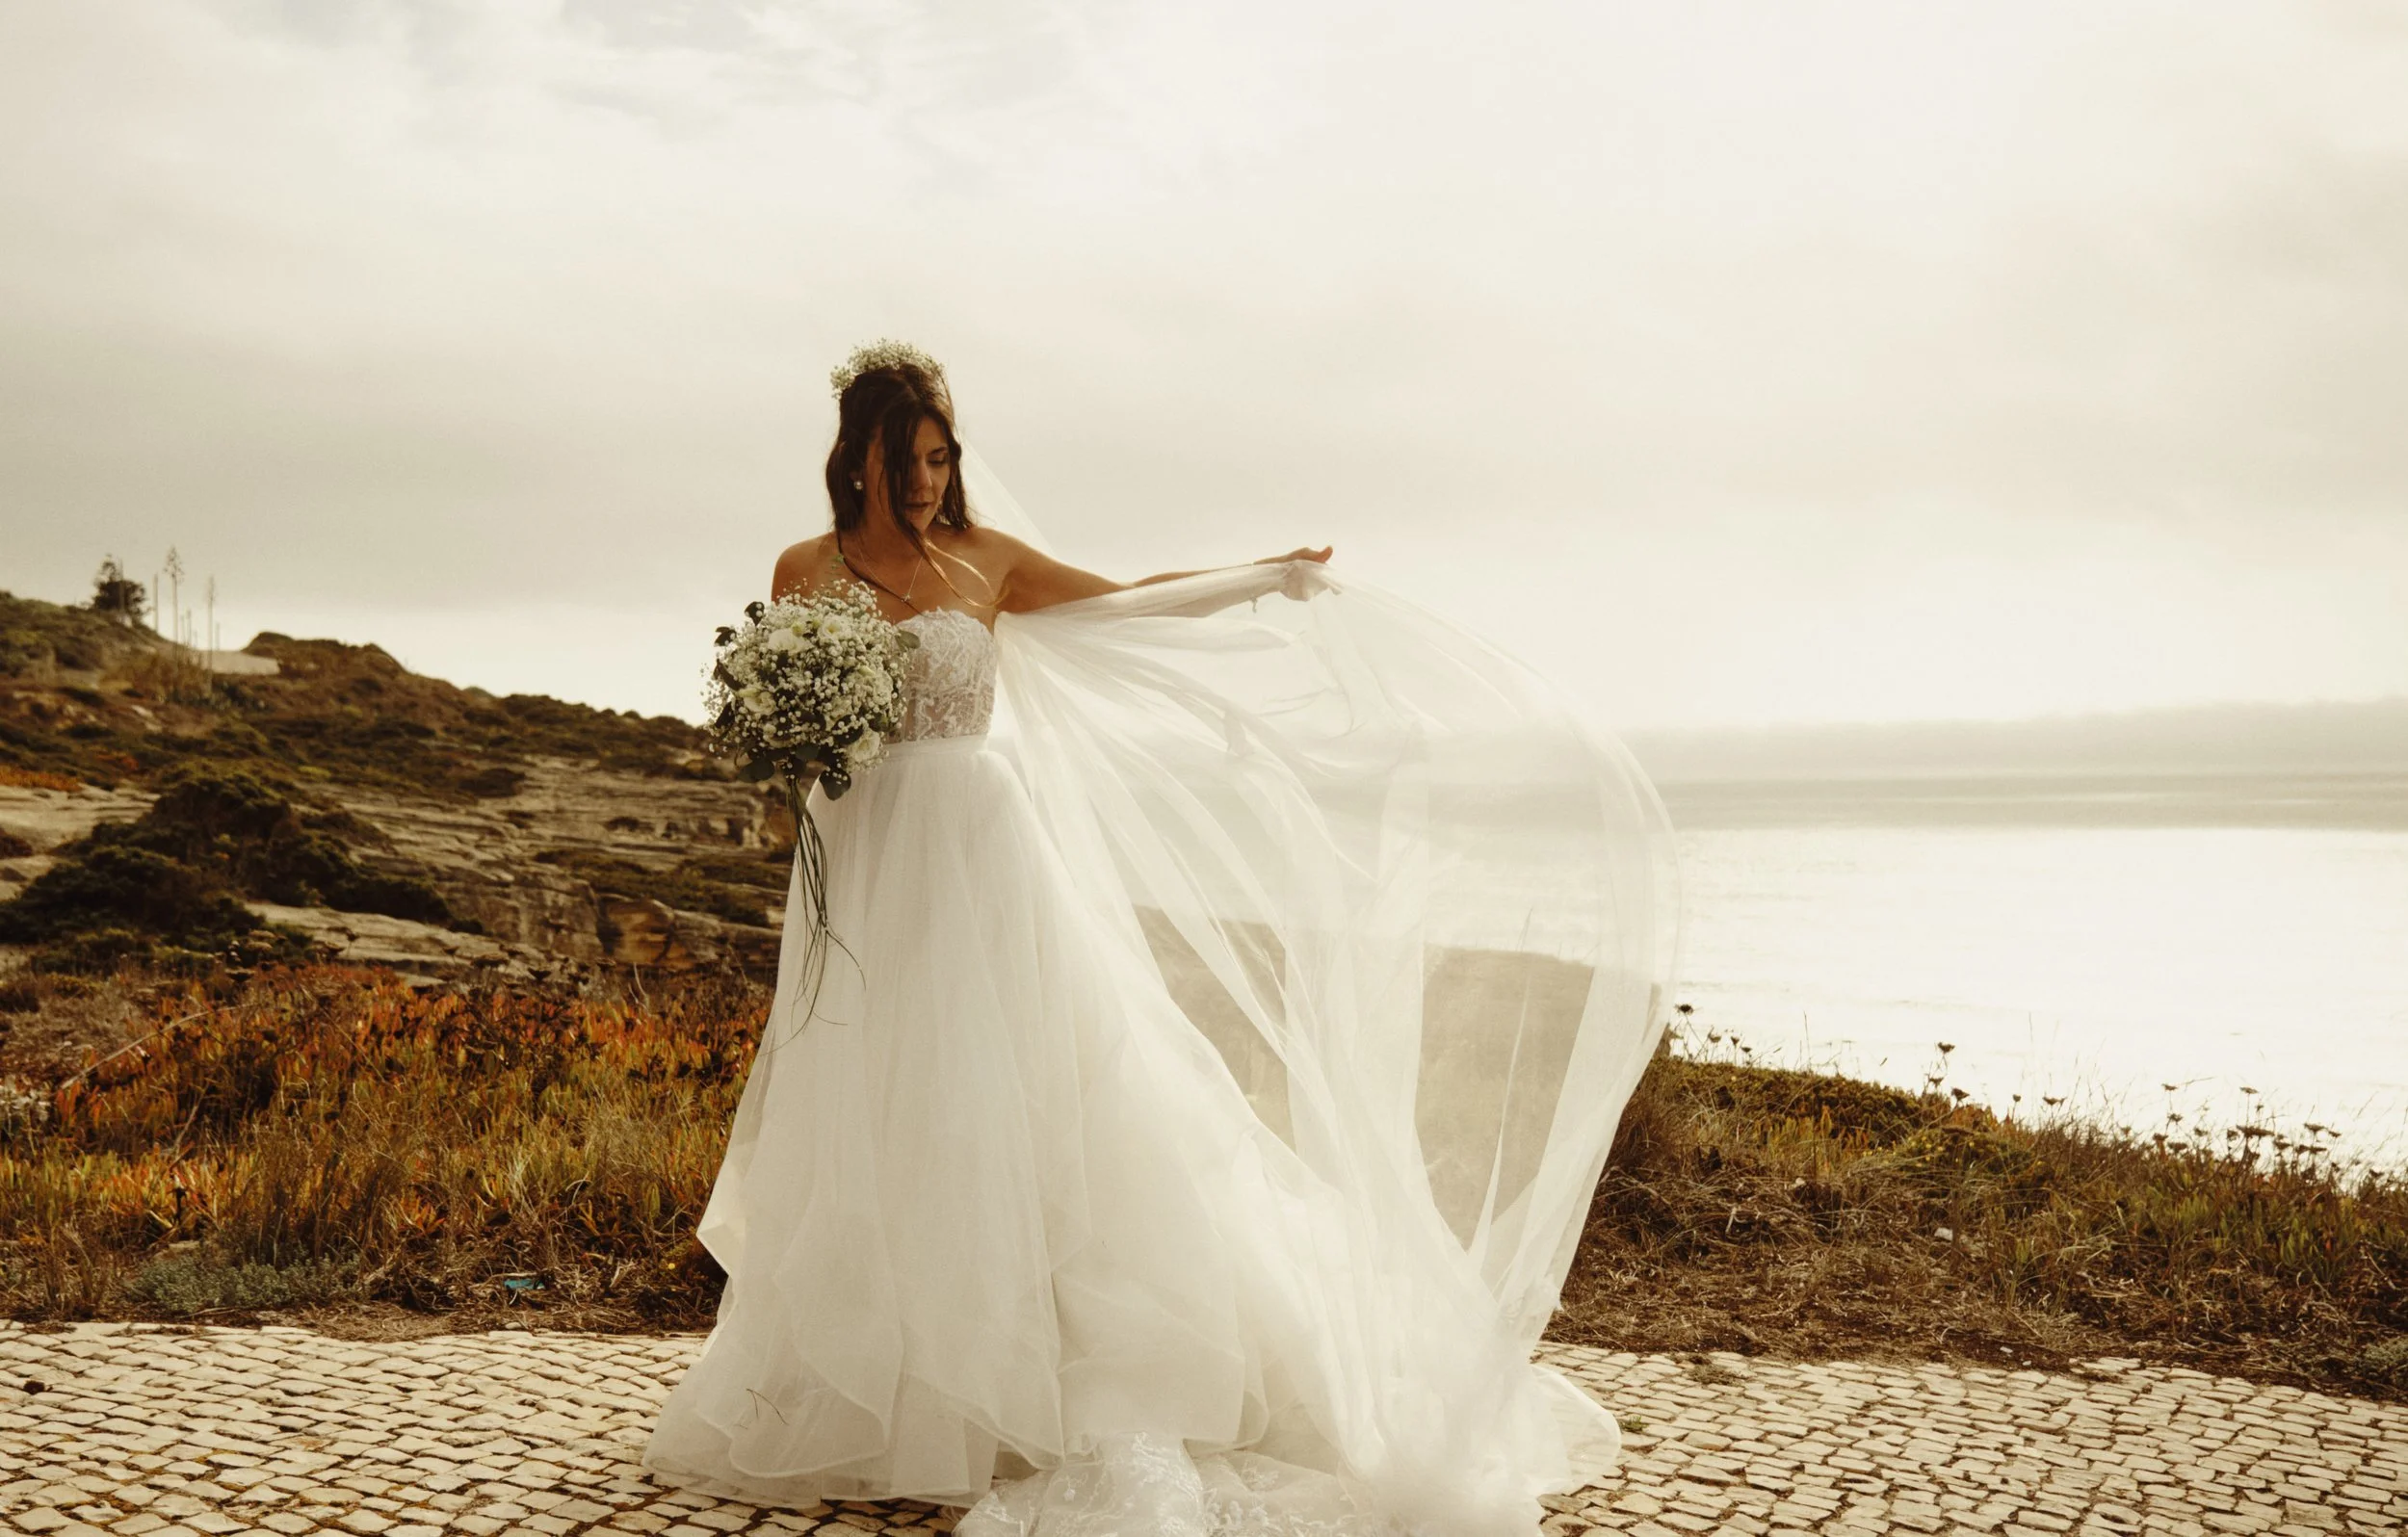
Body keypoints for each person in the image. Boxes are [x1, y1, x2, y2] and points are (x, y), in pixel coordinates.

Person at [642, 342, 1680, 1537]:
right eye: (903, 458)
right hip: (864, 859)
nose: (924, 478)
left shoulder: (986, 561)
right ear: (857, 459)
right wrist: (798, 741)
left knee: (1016, 1097)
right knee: (876, 1099)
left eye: (939, 457)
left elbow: (1129, 602)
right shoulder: (803, 568)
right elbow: (782, 731)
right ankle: (873, 1380)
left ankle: (1018, 1376)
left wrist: (1263, 576)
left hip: (978, 854)